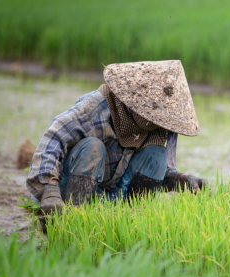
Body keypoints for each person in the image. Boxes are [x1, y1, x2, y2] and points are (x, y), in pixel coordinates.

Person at [27, 60, 206, 215]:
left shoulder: (153, 129)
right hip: (70, 189)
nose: (158, 124)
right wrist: (49, 191)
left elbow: (153, 172)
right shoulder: (97, 107)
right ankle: (74, 221)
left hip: (113, 194)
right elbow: (53, 137)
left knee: (158, 154)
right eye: (153, 116)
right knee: (93, 148)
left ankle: (131, 222)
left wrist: (182, 179)